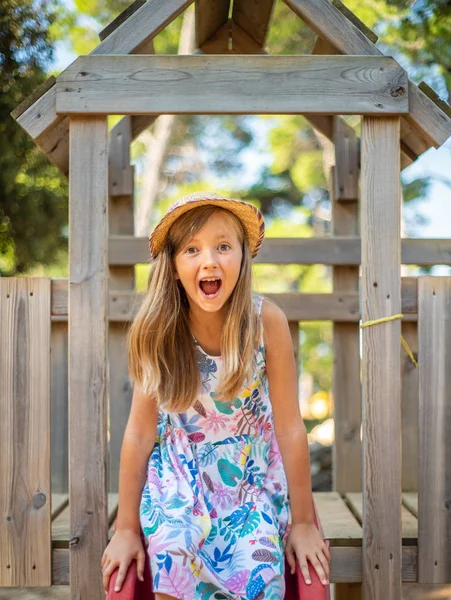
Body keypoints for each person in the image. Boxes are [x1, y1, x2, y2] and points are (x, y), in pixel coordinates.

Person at [101, 191, 330, 600]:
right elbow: (138, 435)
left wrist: (304, 523)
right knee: (171, 549)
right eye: (192, 249)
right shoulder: (159, 332)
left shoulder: (266, 322)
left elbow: (291, 427)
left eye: (223, 246)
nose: (209, 260)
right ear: (172, 266)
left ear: (242, 259)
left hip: (249, 478)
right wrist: (125, 529)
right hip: (179, 479)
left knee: (259, 565)